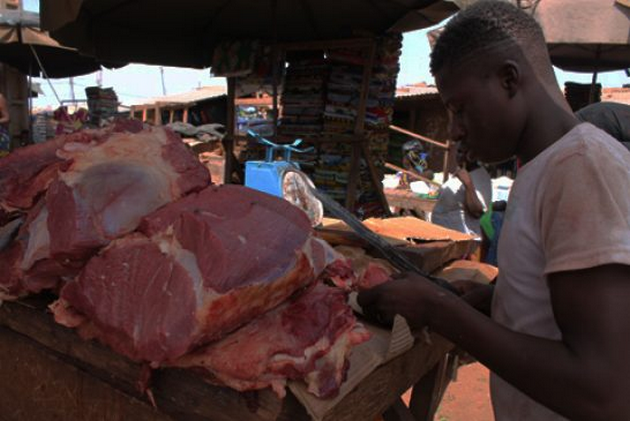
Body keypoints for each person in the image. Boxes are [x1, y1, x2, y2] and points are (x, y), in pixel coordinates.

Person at [358, 2, 630, 420]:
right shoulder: (544, 166)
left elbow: (603, 391)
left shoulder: (581, 167)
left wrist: (438, 309)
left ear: (509, 79)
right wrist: (494, 299)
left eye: (460, 108)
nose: (454, 130)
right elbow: (554, 303)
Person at [430, 153, 492, 238]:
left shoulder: (479, 176)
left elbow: (477, 212)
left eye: (462, 152)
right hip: (445, 235)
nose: (458, 155)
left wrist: (468, 184)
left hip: (461, 240)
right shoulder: (462, 171)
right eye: (458, 151)